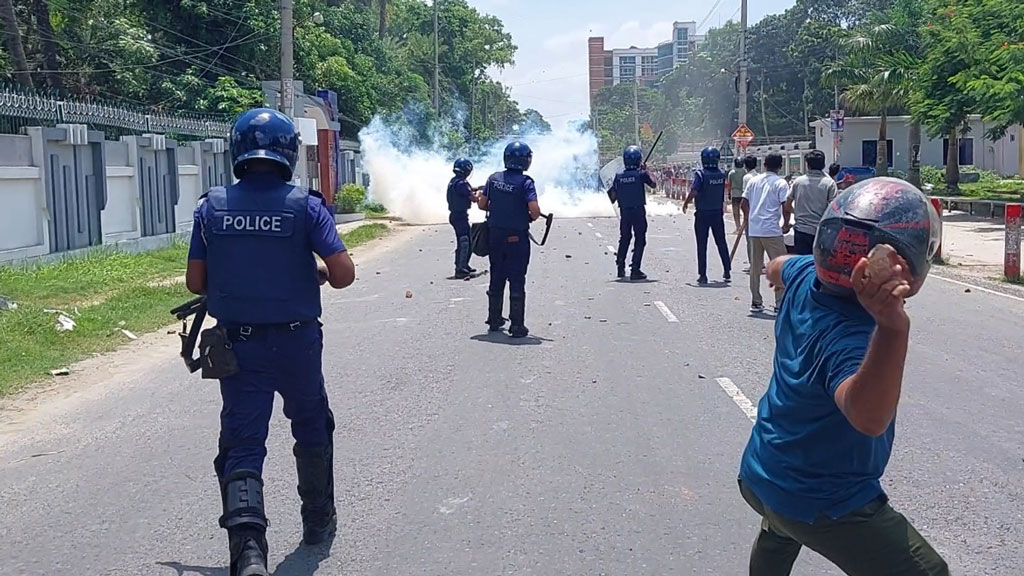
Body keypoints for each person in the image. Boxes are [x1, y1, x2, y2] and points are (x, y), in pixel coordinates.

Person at [737, 177, 947, 576]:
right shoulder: (852, 334)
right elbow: (867, 418)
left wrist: (776, 271)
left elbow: (778, 266)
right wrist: (891, 327)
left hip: (761, 470)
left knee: (780, 530)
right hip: (821, 496)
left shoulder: (803, 275)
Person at [185, 108, 356, 576]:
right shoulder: (306, 206)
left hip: (238, 346)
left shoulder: (211, 207)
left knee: (242, 443)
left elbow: (195, 282)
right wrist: (314, 269)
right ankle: (318, 523)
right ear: (288, 153)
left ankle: (249, 554)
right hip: (298, 342)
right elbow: (343, 275)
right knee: (312, 425)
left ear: (238, 150)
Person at [478, 141, 543, 338]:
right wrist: (523, 214)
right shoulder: (526, 182)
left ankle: (494, 319)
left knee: (496, 276)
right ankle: (517, 326)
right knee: (517, 279)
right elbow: (535, 211)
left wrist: (500, 209)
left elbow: (482, 205)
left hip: (495, 236)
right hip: (517, 238)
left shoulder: (493, 178)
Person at [741, 152, 792, 313]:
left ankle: (756, 301)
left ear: (764, 165)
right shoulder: (781, 183)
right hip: (771, 230)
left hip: (755, 230)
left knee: (755, 268)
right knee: (778, 267)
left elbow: (744, 203)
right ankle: (779, 303)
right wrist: (785, 224)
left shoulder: (753, 181)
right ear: (780, 166)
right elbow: (786, 206)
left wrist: (750, 218)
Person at [683, 146, 731, 284]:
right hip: (717, 213)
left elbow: (694, 191)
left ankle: (703, 275)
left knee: (702, 244)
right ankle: (727, 270)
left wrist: (686, 203)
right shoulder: (721, 174)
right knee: (721, 242)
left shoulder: (701, 175)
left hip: (703, 214)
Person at [608, 145, 657, 280]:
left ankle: (620, 265)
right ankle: (635, 269)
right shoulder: (641, 174)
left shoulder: (619, 177)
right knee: (640, 239)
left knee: (625, 238)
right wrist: (646, 171)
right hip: (638, 211)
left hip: (624, 212)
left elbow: (612, 197)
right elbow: (653, 185)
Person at [787, 150, 838, 255]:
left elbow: (787, 205)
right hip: (821, 232)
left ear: (808, 165)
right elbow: (834, 208)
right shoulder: (829, 183)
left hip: (801, 230)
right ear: (823, 165)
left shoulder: (798, 182)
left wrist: (796, 212)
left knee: (803, 265)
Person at [447, 157, 483, 278]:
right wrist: (479, 193)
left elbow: (467, 190)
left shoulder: (455, 181)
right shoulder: (462, 183)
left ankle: (463, 265)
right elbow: (474, 198)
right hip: (459, 216)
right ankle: (461, 269)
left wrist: (477, 188)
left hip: (457, 215)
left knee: (467, 239)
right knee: (464, 241)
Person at [726, 157, 746, 231]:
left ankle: (738, 227)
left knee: (736, 211)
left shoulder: (731, 172)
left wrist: (729, 193)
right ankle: (744, 226)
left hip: (735, 193)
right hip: (744, 193)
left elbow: (729, 184)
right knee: (745, 210)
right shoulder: (745, 172)